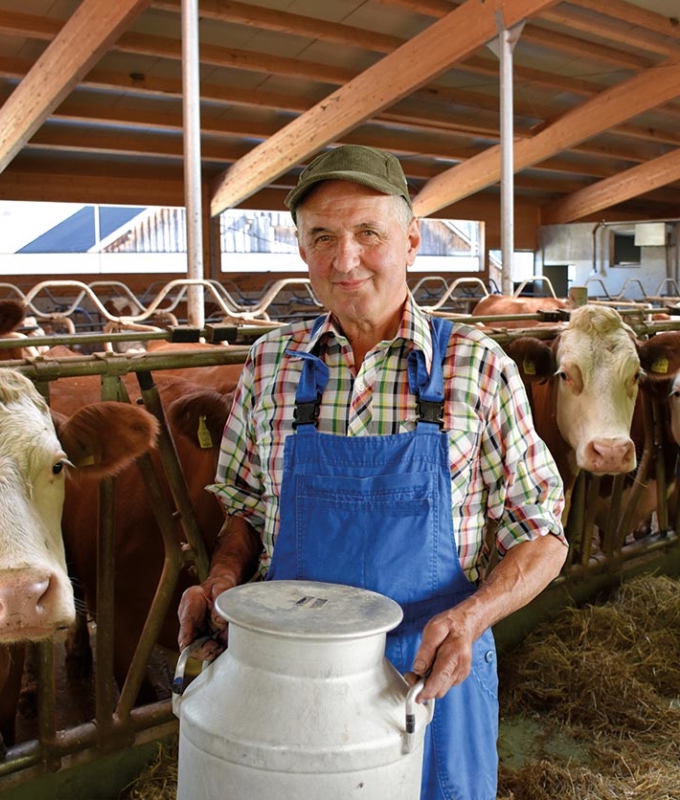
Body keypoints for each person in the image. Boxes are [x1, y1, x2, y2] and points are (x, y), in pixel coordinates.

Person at [178, 144, 567, 799]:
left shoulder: (475, 365)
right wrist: (223, 577)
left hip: (433, 676)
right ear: (303, 251)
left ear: (412, 240)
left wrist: (472, 619)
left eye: (368, 234)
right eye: (322, 237)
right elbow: (245, 508)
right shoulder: (271, 366)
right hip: (288, 682)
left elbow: (542, 531)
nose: (345, 258)